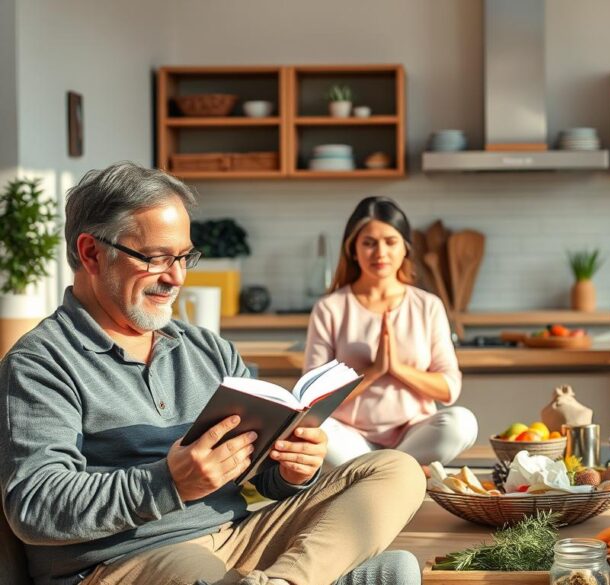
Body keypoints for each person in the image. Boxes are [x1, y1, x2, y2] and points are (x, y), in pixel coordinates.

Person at [0, 162, 425, 585]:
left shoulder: (206, 349)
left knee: (395, 471)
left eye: (185, 257)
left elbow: (256, 485)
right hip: (125, 559)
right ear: (92, 253)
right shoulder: (40, 362)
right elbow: (37, 505)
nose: (177, 277)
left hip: (238, 535)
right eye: (157, 258)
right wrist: (169, 482)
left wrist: (291, 472)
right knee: (392, 573)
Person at [304, 196, 477, 467]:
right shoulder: (330, 308)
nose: (380, 253)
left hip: (414, 434)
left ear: (405, 248)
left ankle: (371, 474)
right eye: (369, 243)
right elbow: (312, 399)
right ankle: (396, 472)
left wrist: (396, 368)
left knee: (462, 422)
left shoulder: (427, 306)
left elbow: (449, 388)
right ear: (353, 249)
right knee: (313, 430)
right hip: (350, 438)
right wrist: (372, 373)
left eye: (390, 242)